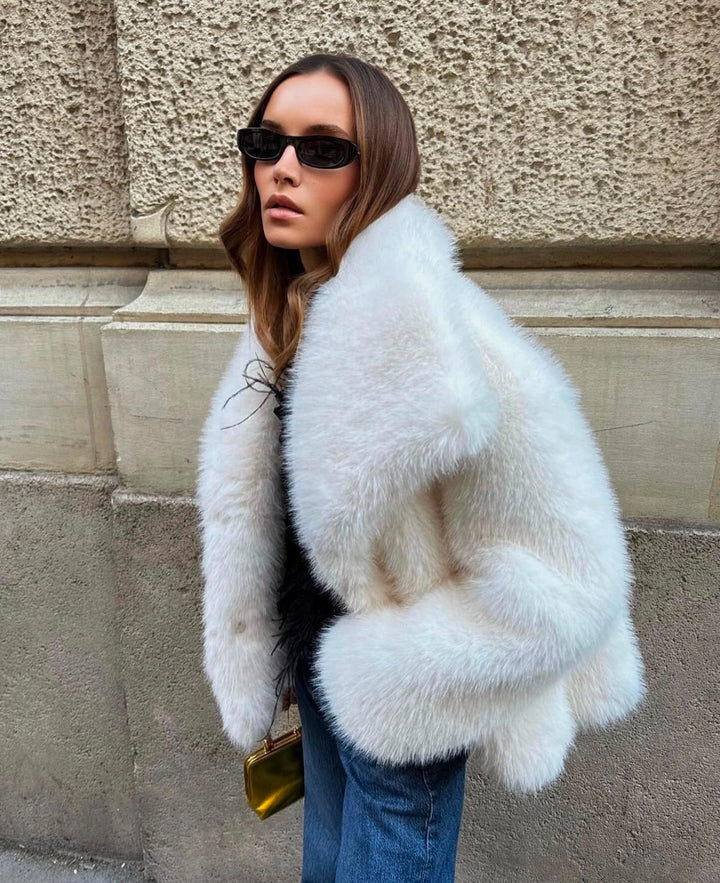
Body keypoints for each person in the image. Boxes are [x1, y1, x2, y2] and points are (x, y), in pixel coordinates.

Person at [196, 53, 647, 882]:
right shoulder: (295, 319)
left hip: (393, 692)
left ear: (380, 169)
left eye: (324, 148)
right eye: (267, 142)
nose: (283, 168)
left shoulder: (443, 340)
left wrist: (399, 675)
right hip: (322, 667)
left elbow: (572, 577)